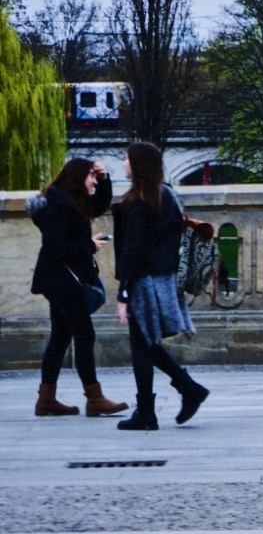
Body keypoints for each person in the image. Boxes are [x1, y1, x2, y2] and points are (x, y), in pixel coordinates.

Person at [113, 141, 209, 430]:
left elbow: (133, 249)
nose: (123, 162)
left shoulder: (140, 201)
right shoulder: (165, 194)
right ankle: (186, 389)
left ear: (138, 164)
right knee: (146, 345)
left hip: (144, 282)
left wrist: (123, 293)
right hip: (163, 279)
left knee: (142, 346)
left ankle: (149, 411)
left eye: (127, 158)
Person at [28, 157, 128, 418]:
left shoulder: (69, 201)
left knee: (61, 336)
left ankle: (46, 400)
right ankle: (94, 399)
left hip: (62, 279)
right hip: (62, 280)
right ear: (77, 177)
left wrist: (105, 180)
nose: (94, 180)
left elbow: (97, 207)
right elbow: (56, 248)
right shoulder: (57, 205)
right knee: (84, 334)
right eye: (92, 177)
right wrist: (89, 246)